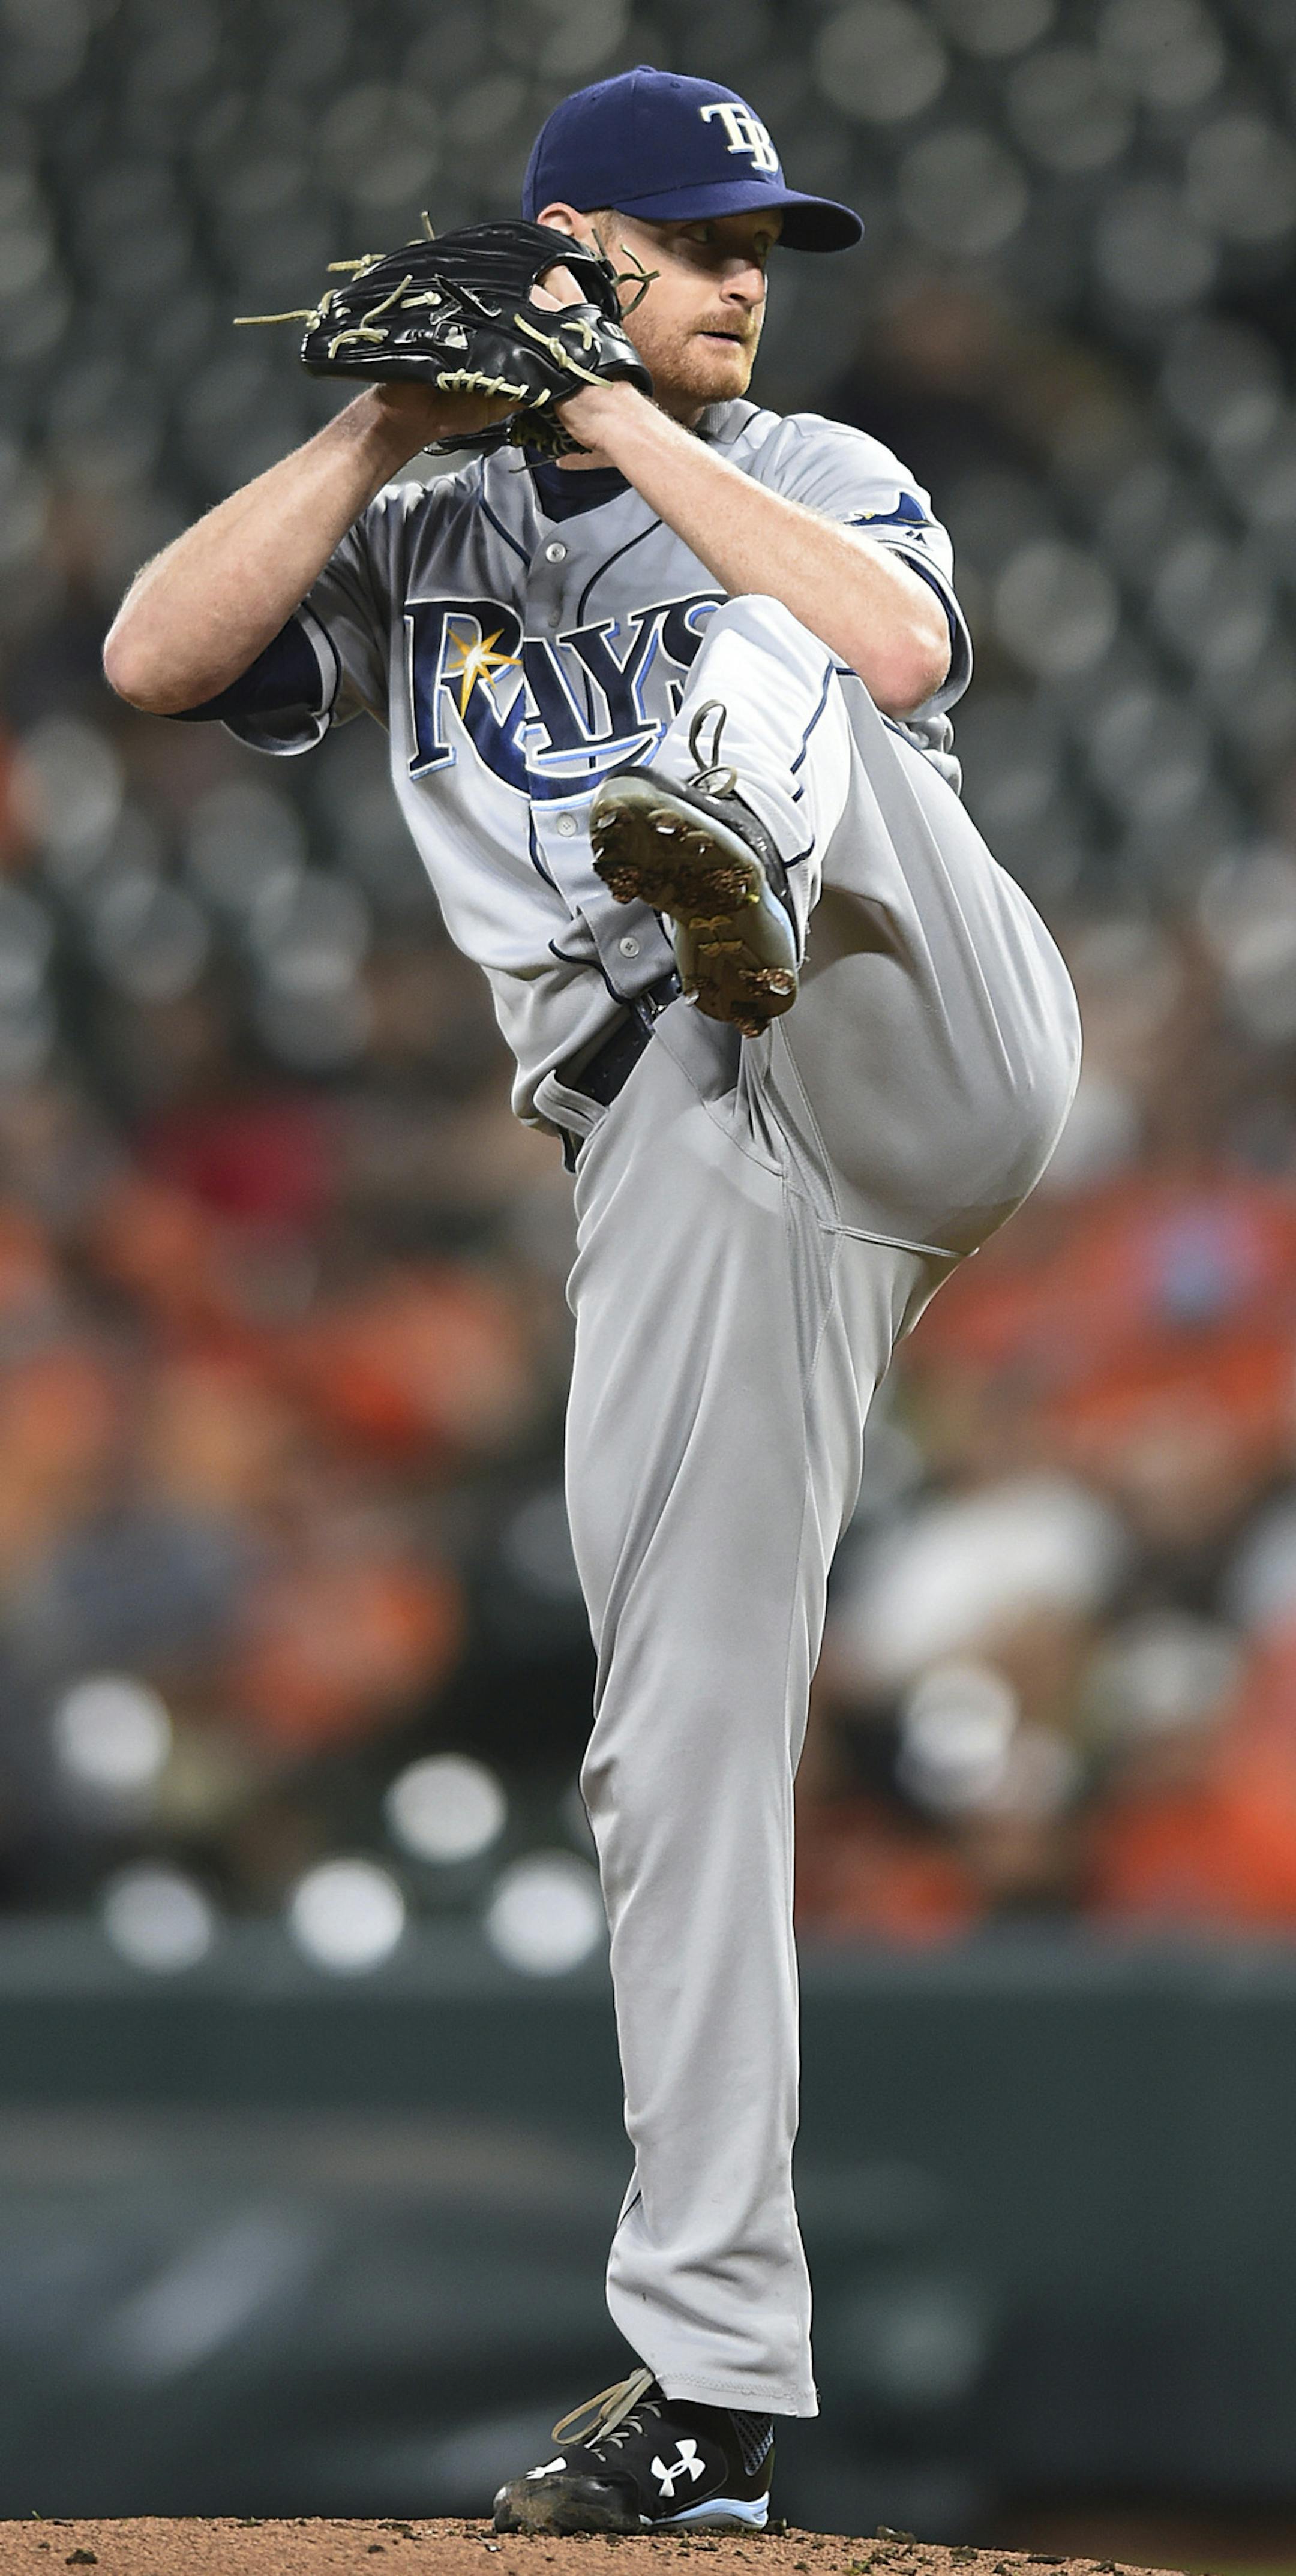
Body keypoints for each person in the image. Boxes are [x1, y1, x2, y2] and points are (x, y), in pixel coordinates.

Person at [103, 64, 1081, 2538]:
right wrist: (382, 425)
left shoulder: (813, 470)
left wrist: (620, 408)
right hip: (672, 1140)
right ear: (565, 241)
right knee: (675, 1745)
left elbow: (874, 632)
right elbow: (147, 657)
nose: (747, 273)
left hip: (900, 1009)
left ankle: (716, 838)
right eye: (688, 235)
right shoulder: (428, 527)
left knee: (783, 692)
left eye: (762, 240)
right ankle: (716, 2396)